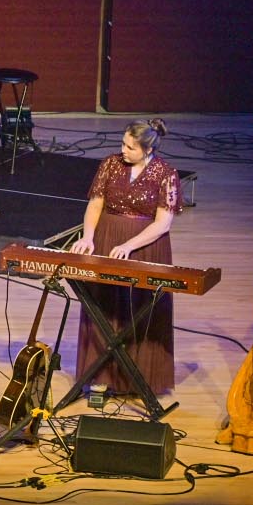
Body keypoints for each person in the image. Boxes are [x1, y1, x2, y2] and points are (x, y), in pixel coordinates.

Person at [68, 118, 181, 394]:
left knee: (139, 309)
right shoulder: (110, 163)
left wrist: (130, 245)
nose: (124, 150)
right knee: (104, 305)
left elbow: (162, 223)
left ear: (148, 150)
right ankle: (102, 376)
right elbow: (95, 203)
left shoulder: (166, 173)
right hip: (108, 239)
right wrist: (88, 237)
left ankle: (137, 379)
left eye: (131, 147)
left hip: (144, 246)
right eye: (123, 144)